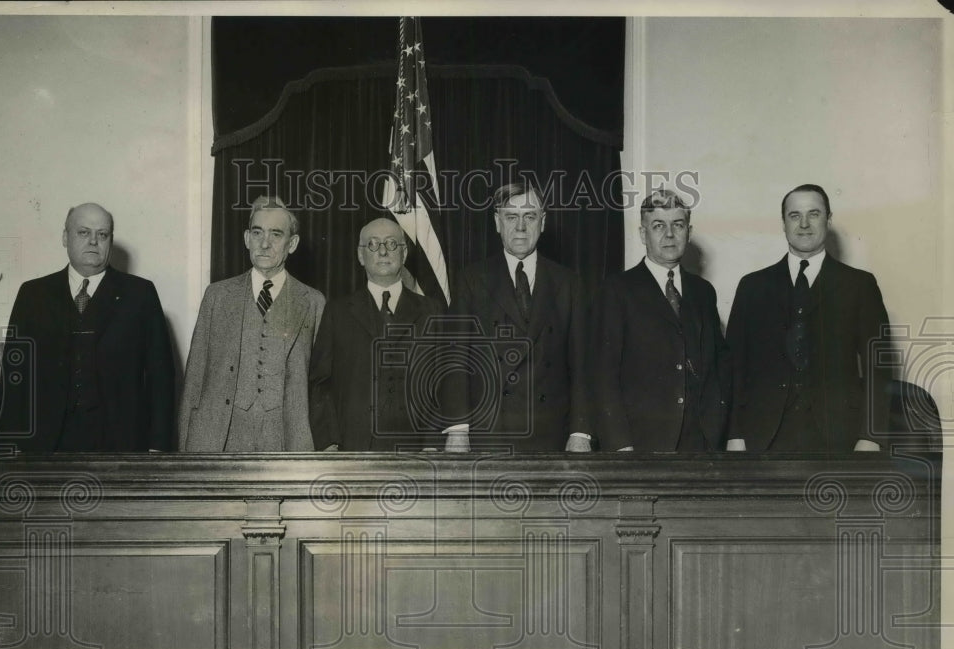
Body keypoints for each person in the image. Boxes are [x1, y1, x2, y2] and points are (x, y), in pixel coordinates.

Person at [725, 184, 890, 455]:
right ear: (783, 223)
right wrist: (735, 434)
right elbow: (734, 367)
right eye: (794, 215)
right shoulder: (753, 286)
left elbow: (879, 367)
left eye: (813, 214)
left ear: (828, 220)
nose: (804, 224)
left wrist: (871, 436)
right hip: (763, 437)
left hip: (840, 438)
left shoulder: (859, 284)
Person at [0, 203, 175, 452]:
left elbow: (161, 377)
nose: (93, 241)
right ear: (65, 237)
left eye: (102, 234)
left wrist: (158, 446)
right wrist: (8, 446)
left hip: (120, 445)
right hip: (44, 446)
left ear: (110, 242)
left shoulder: (140, 294)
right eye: (83, 232)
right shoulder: (33, 294)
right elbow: (14, 376)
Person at [443, 182, 591, 453]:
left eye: (530, 216)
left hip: (552, 434)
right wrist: (457, 430)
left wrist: (581, 432)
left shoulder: (569, 283)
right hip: (489, 432)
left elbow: (581, 364)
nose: (521, 226)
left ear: (542, 222)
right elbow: (457, 358)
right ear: (498, 223)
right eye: (511, 217)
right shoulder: (472, 280)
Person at [178, 196, 325, 452]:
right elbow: (194, 378)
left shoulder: (313, 302)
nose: (265, 243)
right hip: (218, 438)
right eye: (258, 233)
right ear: (247, 239)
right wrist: (185, 446)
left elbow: (322, 385)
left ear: (292, 244)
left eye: (276, 235)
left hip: (287, 440)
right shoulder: (217, 296)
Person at [592, 189, 730, 452]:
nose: (669, 234)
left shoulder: (703, 292)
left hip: (700, 444)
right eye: (658, 226)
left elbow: (718, 368)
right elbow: (603, 375)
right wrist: (620, 445)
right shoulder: (617, 290)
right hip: (641, 444)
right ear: (643, 234)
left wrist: (715, 430)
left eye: (678, 225)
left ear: (689, 232)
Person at [309, 218, 444, 451]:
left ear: (404, 254)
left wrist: (432, 444)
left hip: (415, 451)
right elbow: (321, 383)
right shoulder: (337, 312)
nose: (382, 251)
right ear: (361, 256)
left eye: (392, 244)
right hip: (352, 449)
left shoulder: (431, 311)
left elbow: (442, 381)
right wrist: (329, 442)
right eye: (372, 244)